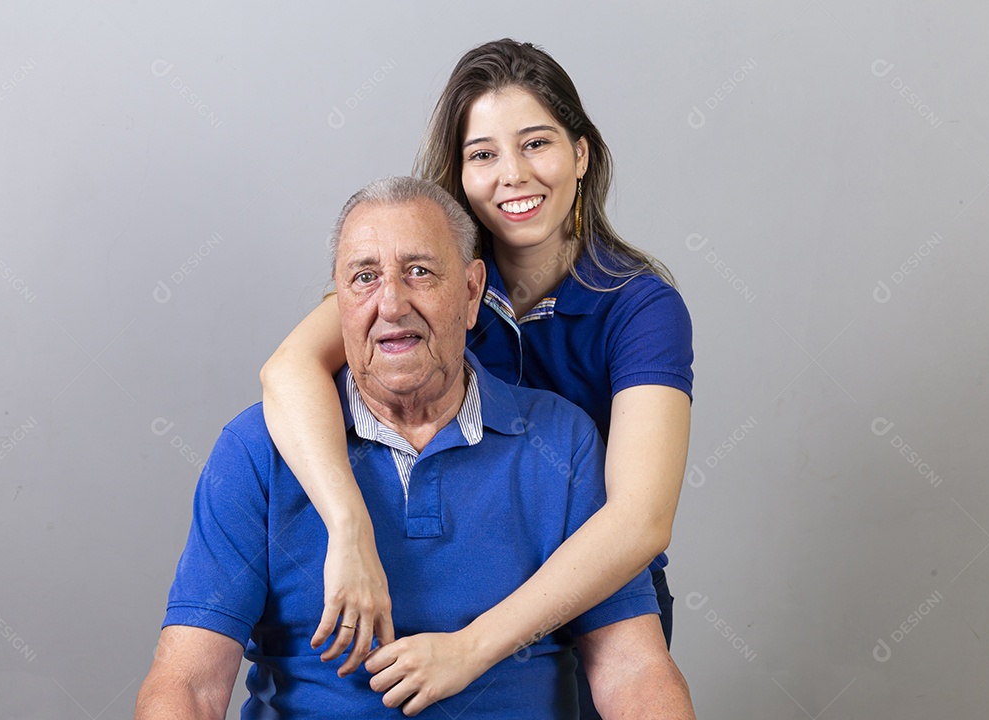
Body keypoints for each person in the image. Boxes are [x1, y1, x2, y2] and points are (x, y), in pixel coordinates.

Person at [136, 177, 694, 719]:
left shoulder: (563, 444)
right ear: (338, 300)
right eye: (364, 278)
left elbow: (634, 673)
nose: (392, 303)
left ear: (472, 292)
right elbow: (189, 682)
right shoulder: (256, 451)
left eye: (420, 272)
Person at [260, 39, 693, 717]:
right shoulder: (426, 277)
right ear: (458, 174)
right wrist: (348, 527)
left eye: (536, 144)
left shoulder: (640, 306)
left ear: (581, 155)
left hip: (597, 597)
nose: (512, 175)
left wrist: (472, 647)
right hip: (470, 570)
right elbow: (287, 370)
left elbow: (640, 519)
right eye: (483, 154)